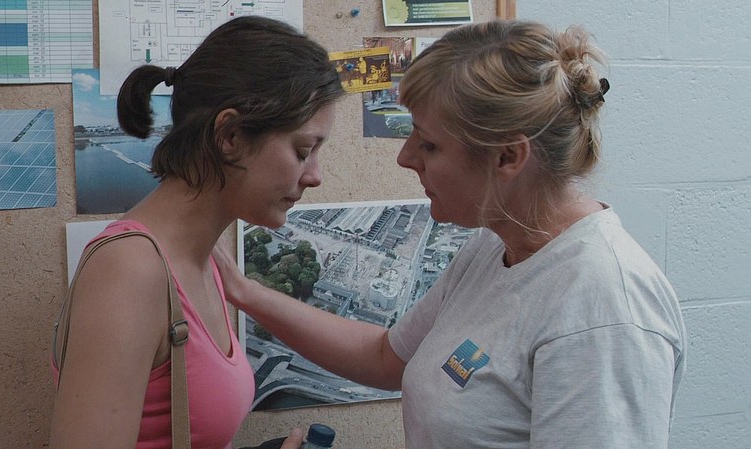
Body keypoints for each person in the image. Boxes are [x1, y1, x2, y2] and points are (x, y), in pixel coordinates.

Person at [212, 19, 687, 448]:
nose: (405, 157)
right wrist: (242, 291)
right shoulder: (496, 246)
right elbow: (386, 358)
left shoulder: (604, 311)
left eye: (429, 144)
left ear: (507, 156)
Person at [49, 16, 344, 449]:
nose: (315, 175)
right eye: (303, 151)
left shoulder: (203, 257)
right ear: (230, 136)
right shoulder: (130, 271)